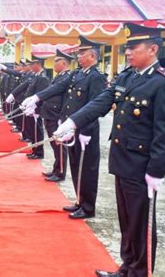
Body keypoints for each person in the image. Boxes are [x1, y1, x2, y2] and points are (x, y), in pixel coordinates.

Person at [55, 23, 165, 277]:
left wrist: (157, 171)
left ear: (153, 49)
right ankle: (127, 267)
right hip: (122, 158)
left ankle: (140, 272)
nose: (129, 53)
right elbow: (102, 101)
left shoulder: (164, 83)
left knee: (140, 221)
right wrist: (73, 122)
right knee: (127, 219)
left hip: (142, 165)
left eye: (134, 48)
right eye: (128, 48)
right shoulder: (127, 76)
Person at [22, 35, 107, 219]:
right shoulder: (77, 74)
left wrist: (86, 130)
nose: (78, 56)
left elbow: (96, 107)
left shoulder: (96, 77)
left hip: (85, 131)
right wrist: (37, 98)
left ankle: (87, 207)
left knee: (87, 170)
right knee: (76, 166)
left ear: (92, 56)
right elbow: (59, 88)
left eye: (82, 53)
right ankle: (79, 200)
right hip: (71, 128)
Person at [40, 49, 73, 182]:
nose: (53, 64)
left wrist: (62, 118)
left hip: (56, 115)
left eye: (56, 62)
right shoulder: (59, 76)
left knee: (59, 146)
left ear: (64, 63)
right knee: (54, 145)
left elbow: (66, 99)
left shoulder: (66, 77)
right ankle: (56, 168)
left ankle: (60, 173)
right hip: (50, 114)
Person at [21, 57, 50, 159]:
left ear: (38, 64)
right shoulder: (36, 76)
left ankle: (39, 152)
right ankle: (34, 149)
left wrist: (36, 108)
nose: (30, 66)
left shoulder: (43, 77)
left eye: (32, 64)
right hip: (31, 108)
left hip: (36, 109)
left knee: (37, 131)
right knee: (33, 131)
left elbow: (41, 95)